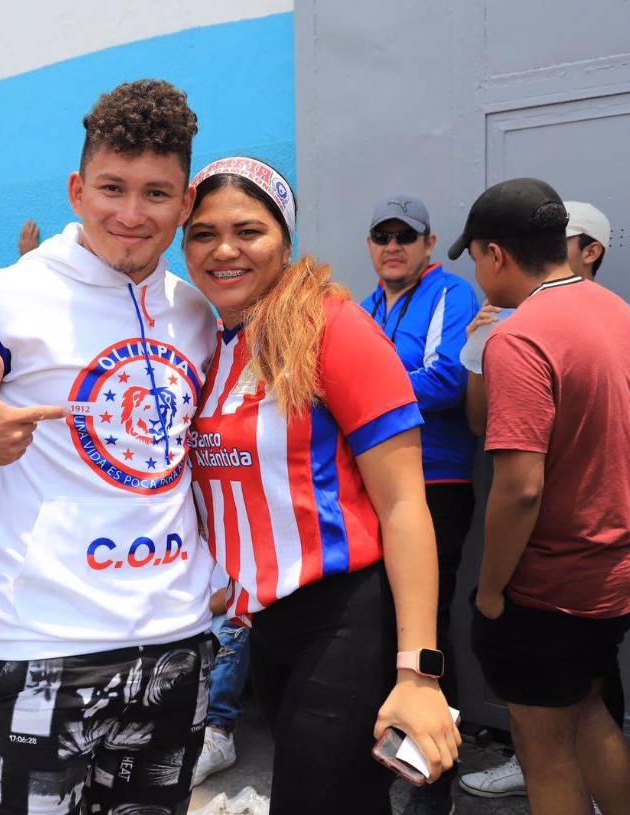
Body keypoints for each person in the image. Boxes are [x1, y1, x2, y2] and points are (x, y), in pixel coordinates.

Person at [0, 79, 217, 815]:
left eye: (157, 193)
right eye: (112, 187)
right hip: (45, 646)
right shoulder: (4, 300)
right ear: (76, 187)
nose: (132, 215)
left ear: (186, 202)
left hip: (178, 643)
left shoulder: (196, 312)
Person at [182, 156, 459, 814]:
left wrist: (418, 672)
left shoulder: (332, 327)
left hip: (344, 619)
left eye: (248, 230)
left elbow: (404, 504)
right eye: (203, 233)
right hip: (266, 624)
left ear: (286, 235)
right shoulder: (212, 339)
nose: (224, 249)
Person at [449, 178, 630, 815]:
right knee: (591, 712)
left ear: (495, 254)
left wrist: (490, 592)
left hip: (552, 585)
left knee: (544, 751)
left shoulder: (518, 338)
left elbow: (520, 489)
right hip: (621, 569)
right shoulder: (620, 313)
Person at [359, 194, 479, 815]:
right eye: (382, 236)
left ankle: (432, 783)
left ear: (429, 244)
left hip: (437, 486)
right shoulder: (367, 305)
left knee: (426, 636)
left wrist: (365, 390)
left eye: (406, 236)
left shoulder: (449, 295)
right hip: (378, 486)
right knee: (388, 629)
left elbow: (449, 379)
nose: (393, 246)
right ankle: (395, 757)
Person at [191, 576, 251, 787]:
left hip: (229, 613)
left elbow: (237, 594)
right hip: (192, 614)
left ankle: (219, 734)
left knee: (232, 621)